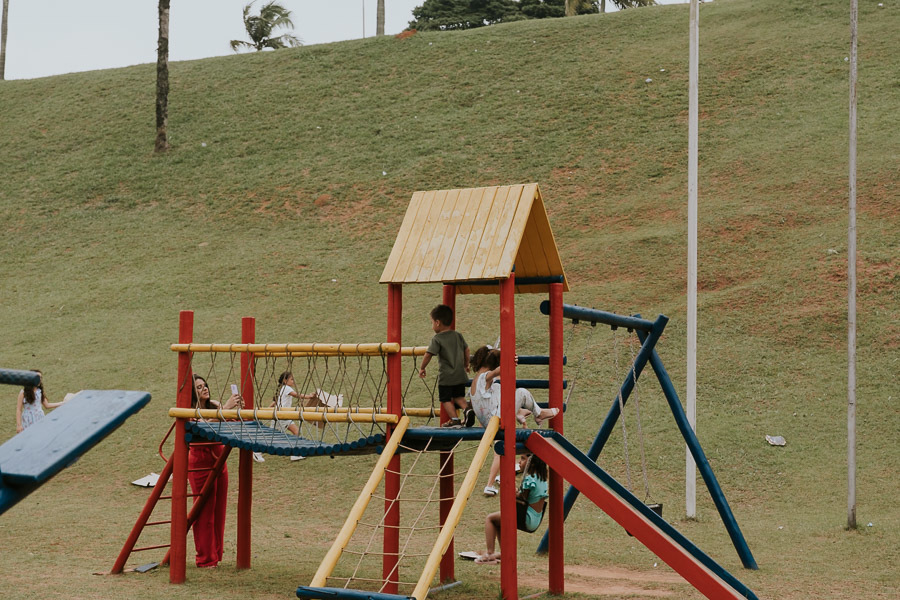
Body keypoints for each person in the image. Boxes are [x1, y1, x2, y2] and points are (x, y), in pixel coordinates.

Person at [469, 346, 558, 496]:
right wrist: (509, 360)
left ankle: (519, 413)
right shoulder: (485, 377)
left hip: (489, 422)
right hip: (496, 420)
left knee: (498, 388)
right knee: (521, 393)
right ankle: (539, 413)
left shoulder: (475, 382)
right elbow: (500, 370)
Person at [188, 374, 242, 568]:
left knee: (219, 511)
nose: (204, 389)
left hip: (218, 455)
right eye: (199, 387)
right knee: (204, 512)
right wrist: (226, 408)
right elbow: (202, 425)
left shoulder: (214, 404)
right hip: (200, 459)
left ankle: (216, 555)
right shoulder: (190, 410)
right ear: (192, 392)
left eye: (205, 385)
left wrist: (236, 410)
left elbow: (225, 423)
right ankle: (205, 559)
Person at [477, 453, 549, 564]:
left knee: (490, 519)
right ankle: (504, 553)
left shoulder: (530, 479)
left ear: (532, 463)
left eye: (523, 459)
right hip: (535, 518)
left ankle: (490, 553)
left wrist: (510, 489)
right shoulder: (542, 478)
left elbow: (522, 498)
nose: (519, 462)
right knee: (499, 522)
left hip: (527, 517)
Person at [418, 304, 472, 427]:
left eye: (431, 322)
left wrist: (422, 368)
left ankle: (454, 419)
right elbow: (467, 350)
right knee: (458, 396)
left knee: (445, 399)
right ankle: (468, 409)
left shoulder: (437, 339)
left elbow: (428, 354)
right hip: (460, 374)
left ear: (437, 322)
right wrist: (466, 365)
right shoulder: (458, 335)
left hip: (447, 376)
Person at [262, 371, 319, 463]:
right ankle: (256, 451)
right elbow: (296, 395)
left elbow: (276, 401)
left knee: (296, 431)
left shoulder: (282, 389)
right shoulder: (286, 388)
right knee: (271, 438)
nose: (293, 381)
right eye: (291, 379)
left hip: (285, 416)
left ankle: (295, 454)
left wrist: (267, 409)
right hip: (281, 416)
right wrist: (309, 396)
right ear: (285, 380)